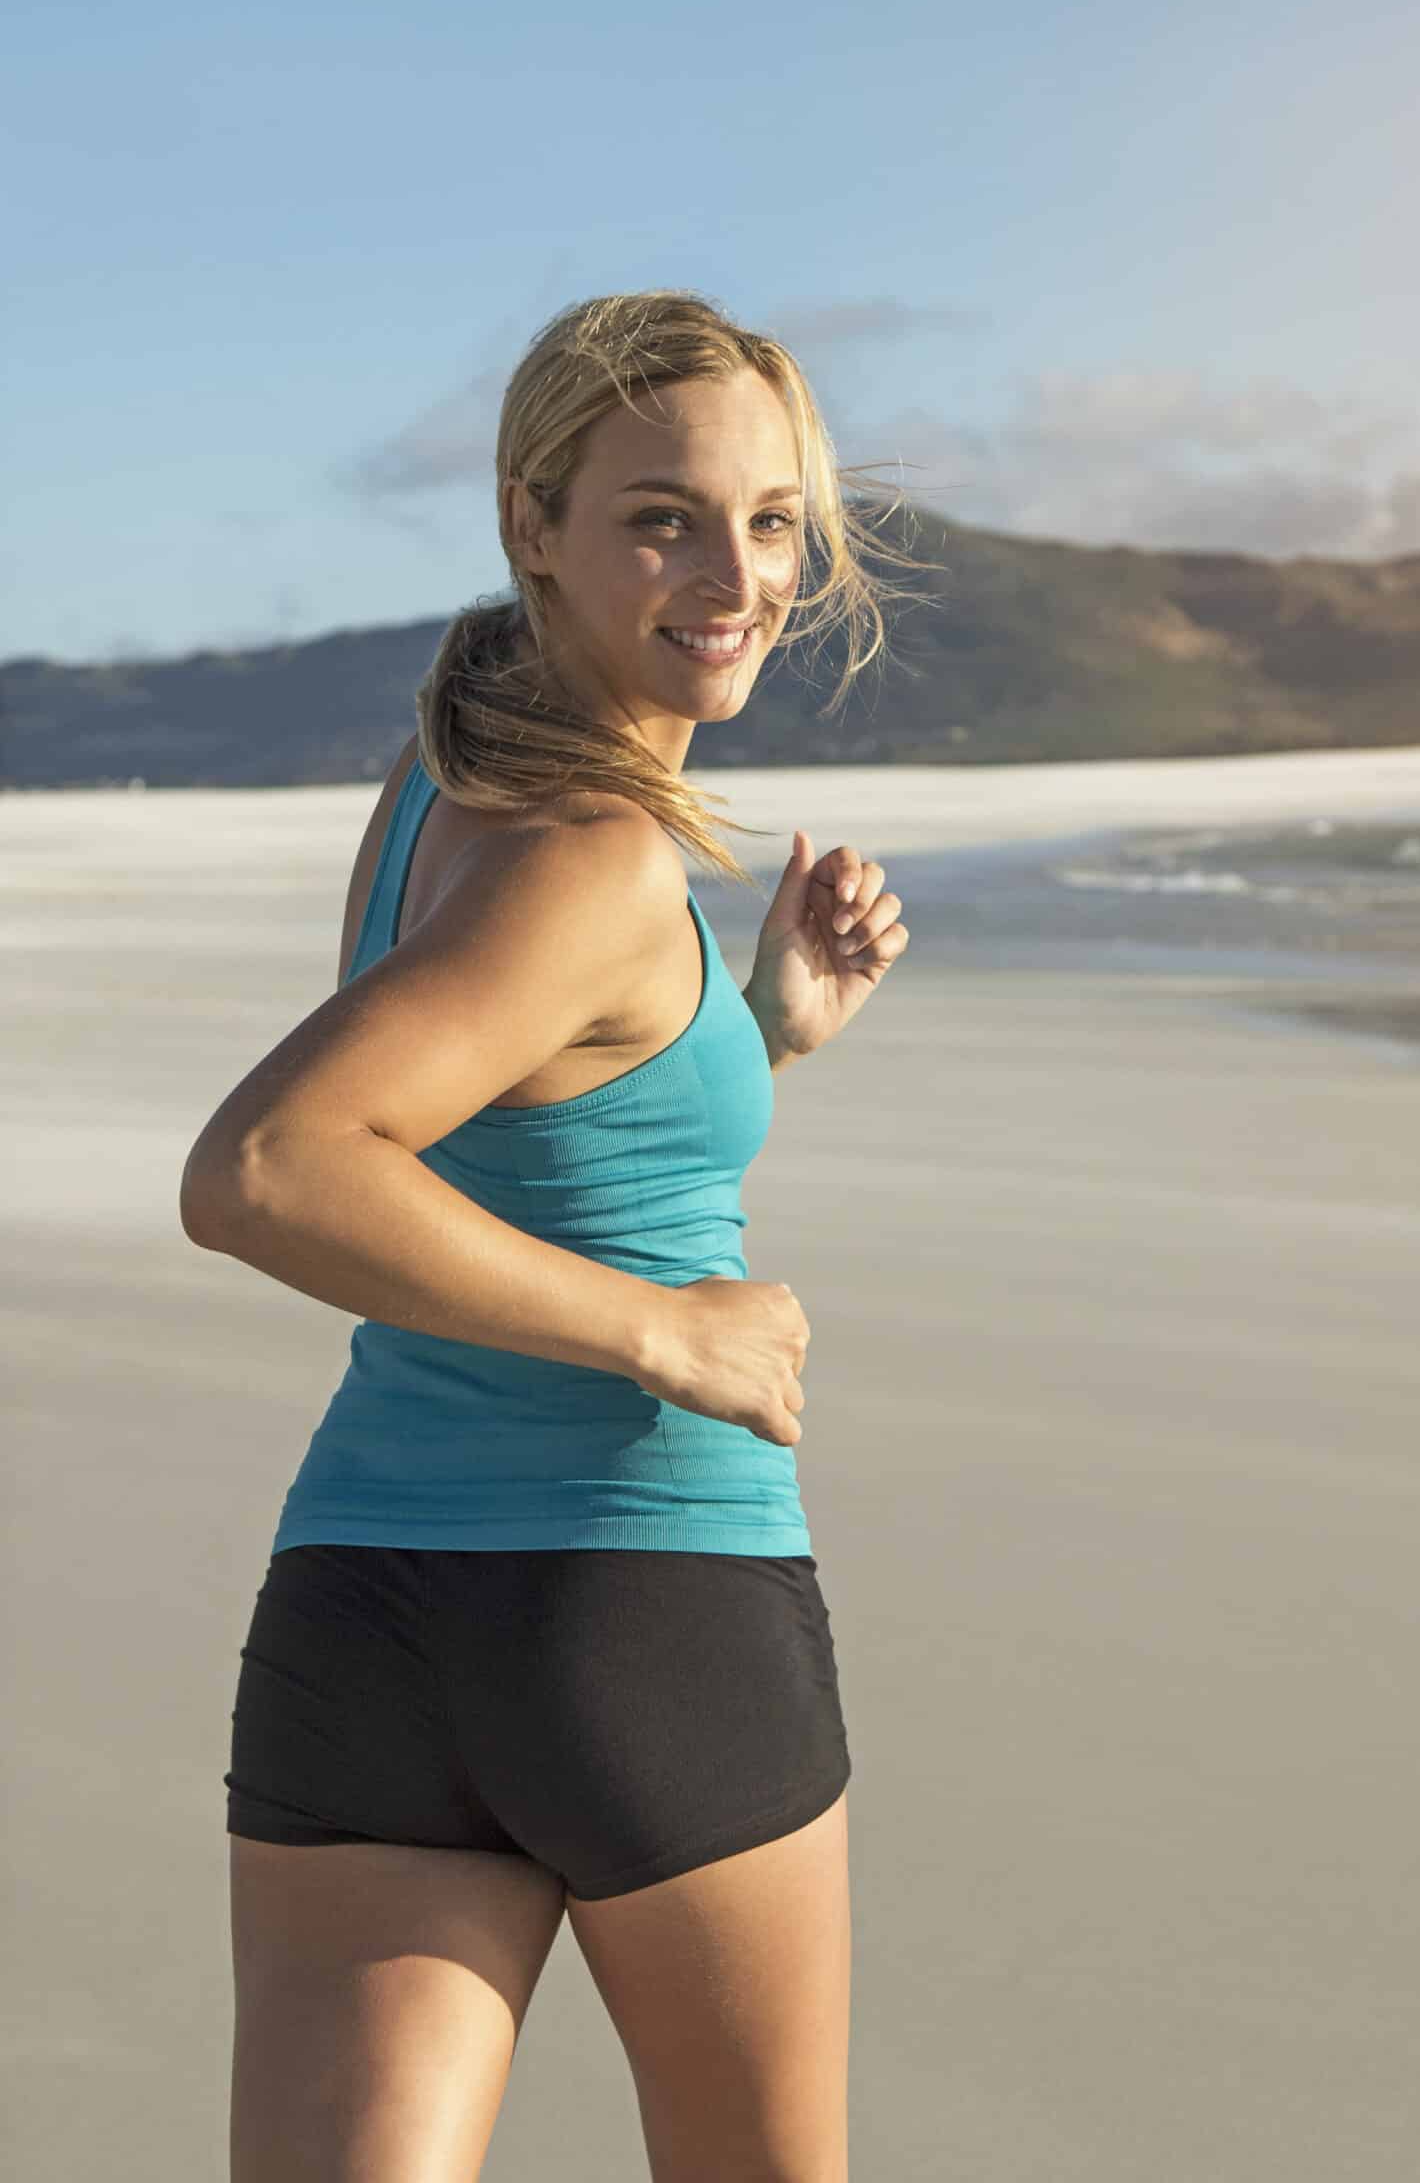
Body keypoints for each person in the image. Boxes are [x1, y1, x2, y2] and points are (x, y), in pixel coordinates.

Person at [179, 288, 940, 2181]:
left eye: (772, 519)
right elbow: (270, 1167)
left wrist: (754, 1031)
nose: (738, 571)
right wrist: (662, 1335)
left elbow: (498, 1118)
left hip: (366, 1623)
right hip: (642, 1608)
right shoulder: (598, 856)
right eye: (662, 515)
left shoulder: (439, 786)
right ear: (532, 521)